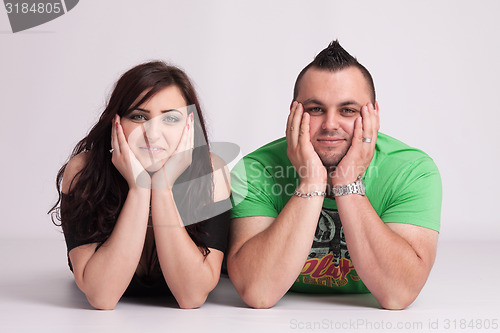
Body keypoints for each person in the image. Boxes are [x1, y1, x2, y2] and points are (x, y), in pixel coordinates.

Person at [228, 40, 442, 310]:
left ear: (373, 116)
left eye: (348, 110)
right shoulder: (254, 169)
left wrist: (347, 181)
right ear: (294, 112)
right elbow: (258, 292)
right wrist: (311, 180)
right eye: (316, 109)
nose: (330, 125)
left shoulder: (413, 170)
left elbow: (397, 294)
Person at [49, 61, 231, 310]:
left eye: (170, 118)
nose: (153, 133)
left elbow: (191, 297)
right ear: (117, 122)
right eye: (138, 116)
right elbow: (102, 296)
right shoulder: (84, 171)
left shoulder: (211, 172)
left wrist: (163, 187)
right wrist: (139, 188)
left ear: (190, 126)